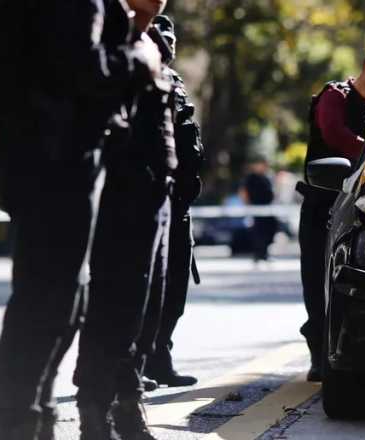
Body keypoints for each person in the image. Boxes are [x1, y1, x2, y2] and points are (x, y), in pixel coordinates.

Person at [0, 1, 163, 439]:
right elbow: (83, 70)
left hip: (47, 155)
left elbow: (1, 53)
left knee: (56, 299)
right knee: (48, 300)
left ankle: (33, 420)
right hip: (60, 159)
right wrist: (140, 58)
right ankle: (22, 425)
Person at [71, 0, 176, 438]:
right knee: (109, 306)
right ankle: (94, 409)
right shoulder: (107, 38)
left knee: (141, 308)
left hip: (156, 194)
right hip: (116, 191)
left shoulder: (156, 44)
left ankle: (128, 403)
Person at [298, 45, 365, 381]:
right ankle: (319, 350)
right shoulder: (335, 96)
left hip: (361, 207)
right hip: (323, 203)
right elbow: (335, 135)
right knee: (317, 281)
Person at [140, 14, 204, 389]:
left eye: (172, 36)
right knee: (142, 285)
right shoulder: (138, 75)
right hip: (147, 196)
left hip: (178, 202)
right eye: (161, 35)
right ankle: (131, 365)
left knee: (175, 284)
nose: (169, 42)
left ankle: (160, 357)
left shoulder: (174, 82)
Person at [242, 156, 277, 261]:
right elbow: (244, 192)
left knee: (269, 230)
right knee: (258, 232)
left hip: (267, 209)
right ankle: (258, 255)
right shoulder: (251, 178)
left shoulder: (266, 177)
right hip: (256, 209)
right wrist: (248, 206)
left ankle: (264, 253)